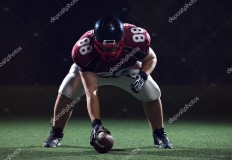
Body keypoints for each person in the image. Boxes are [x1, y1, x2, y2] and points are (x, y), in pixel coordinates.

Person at [43, 15, 173, 149]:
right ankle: (56, 134)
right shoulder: (84, 51)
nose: (109, 52)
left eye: (114, 47)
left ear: (123, 40)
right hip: (94, 71)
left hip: (125, 69)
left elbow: (151, 58)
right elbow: (91, 93)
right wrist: (96, 124)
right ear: (95, 41)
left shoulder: (135, 40)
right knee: (67, 90)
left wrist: (143, 75)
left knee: (152, 92)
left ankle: (159, 135)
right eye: (105, 47)